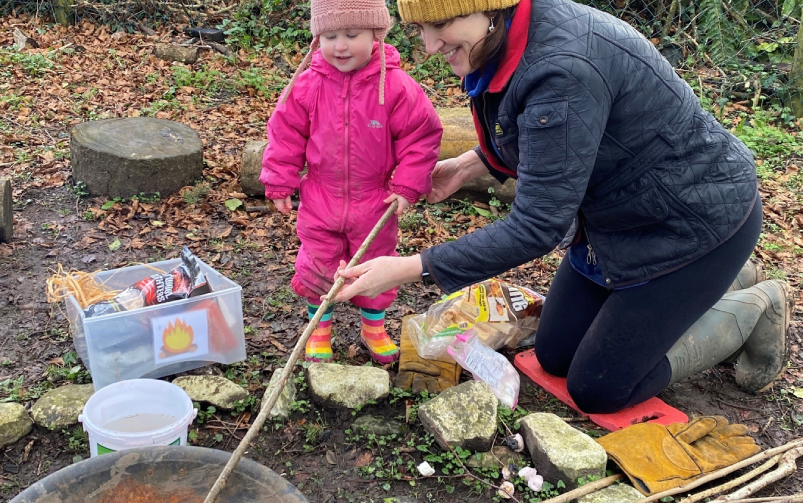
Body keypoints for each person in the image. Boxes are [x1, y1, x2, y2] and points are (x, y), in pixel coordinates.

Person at [331, 0, 792, 413]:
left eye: (442, 24)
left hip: (692, 223)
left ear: (488, 7)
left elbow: (536, 227)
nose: (430, 45)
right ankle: (725, 279)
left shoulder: (562, 69)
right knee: (554, 355)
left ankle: (752, 305)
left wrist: (410, 267)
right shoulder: (512, 35)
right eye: (419, 30)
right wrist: (473, 163)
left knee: (600, 388)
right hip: (620, 219)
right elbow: (551, 137)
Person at [260, 0, 443, 364]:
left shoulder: (395, 86)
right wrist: (280, 180)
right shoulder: (307, 84)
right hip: (319, 197)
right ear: (317, 38)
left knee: (376, 263)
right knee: (316, 263)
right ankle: (319, 327)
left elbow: (421, 136)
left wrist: (407, 185)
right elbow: (285, 133)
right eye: (329, 36)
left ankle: (373, 325)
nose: (339, 46)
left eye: (351, 34)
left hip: (374, 200)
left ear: (376, 34)